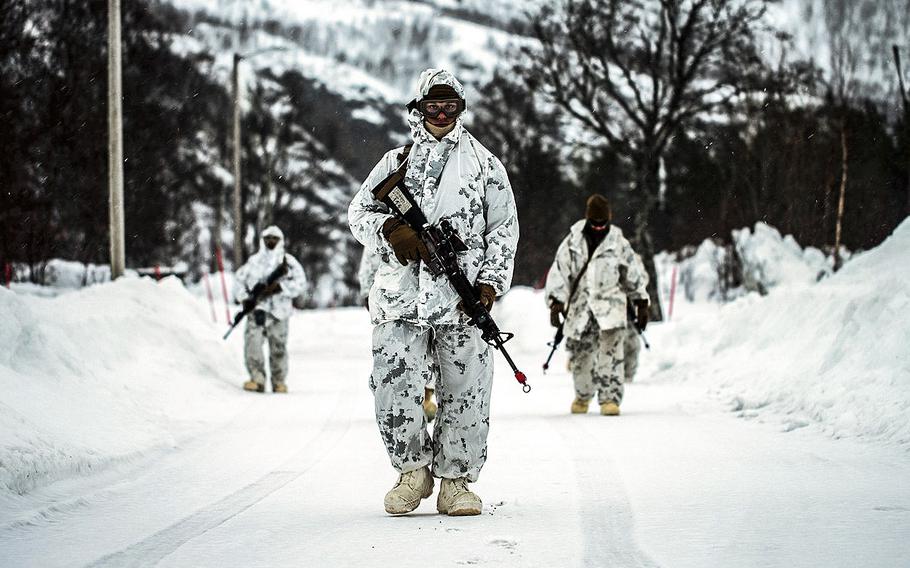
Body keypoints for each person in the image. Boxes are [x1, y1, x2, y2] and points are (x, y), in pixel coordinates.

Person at [348, 68, 518, 516]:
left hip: (460, 302)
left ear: (461, 109)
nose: (441, 114)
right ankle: (412, 472)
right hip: (399, 297)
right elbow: (358, 212)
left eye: (450, 106)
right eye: (432, 106)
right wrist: (389, 229)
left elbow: (503, 229)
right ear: (418, 108)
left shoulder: (485, 165)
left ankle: (456, 482)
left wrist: (488, 282)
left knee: (466, 389)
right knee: (393, 384)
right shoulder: (394, 162)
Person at [544, 194, 649, 416]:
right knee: (582, 356)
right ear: (588, 218)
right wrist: (556, 302)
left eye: (603, 223)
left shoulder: (619, 243)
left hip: (611, 308)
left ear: (609, 218)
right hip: (582, 309)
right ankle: (582, 396)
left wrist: (640, 301)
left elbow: (633, 273)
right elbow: (559, 272)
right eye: (595, 223)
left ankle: (610, 399)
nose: (599, 227)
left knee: (611, 356)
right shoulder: (572, 242)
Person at [357, 248, 439, 421]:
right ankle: (400, 403)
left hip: (435, 300)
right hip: (396, 301)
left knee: (431, 354)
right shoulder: (389, 228)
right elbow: (369, 263)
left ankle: (427, 394)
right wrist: (367, 292)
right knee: (400, 358)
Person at [232, 225, 307, 393]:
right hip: (256, 309)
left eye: (274, 238)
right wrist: (245, 298)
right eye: (268, 238)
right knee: (253, 345)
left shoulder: (288, 262)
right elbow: (239, 281)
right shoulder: (253, 262)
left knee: (278, 346)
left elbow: (301, 283)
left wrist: (280, 288)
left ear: (280, 241)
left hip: (279, 312)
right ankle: (256, 379)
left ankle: (279, 381)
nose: (271, 242)